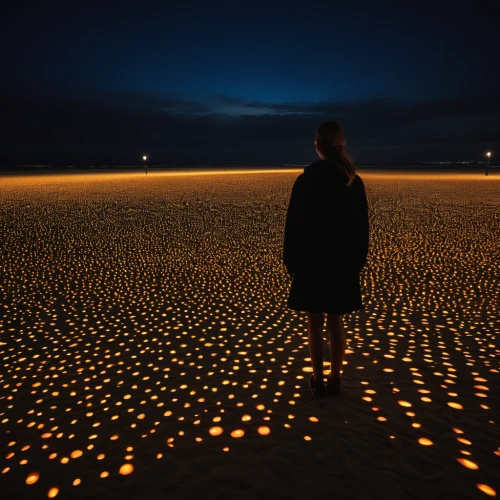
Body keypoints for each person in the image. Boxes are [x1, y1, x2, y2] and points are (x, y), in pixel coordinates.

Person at [283, 121, 369, 399]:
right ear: (340, 144)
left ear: (318, 145)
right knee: (335, 321)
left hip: (311, 262)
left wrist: (291, 260)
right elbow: (361, 228)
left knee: (314, 322)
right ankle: (335, 379)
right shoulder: (352, 180)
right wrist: (357, 262)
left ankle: (318, 380)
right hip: (341, 263)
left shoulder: (306, 179)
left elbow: (293, 224)